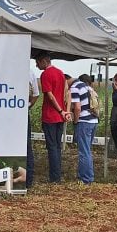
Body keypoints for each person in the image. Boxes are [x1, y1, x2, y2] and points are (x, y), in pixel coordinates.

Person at [34, 53, 71, 183]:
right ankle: (57, 175)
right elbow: (67, 92)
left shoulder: (45, 75)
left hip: (50, 116)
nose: (36, 65)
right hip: (60, 117)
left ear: (44, 61)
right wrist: (65, 111)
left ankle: (54, 177)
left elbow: (50, 96)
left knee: (52, 147)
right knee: (57, 146)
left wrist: (60, 111)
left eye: (37, 62)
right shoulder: (60, 73)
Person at [67, 74, 99, 184]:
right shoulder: (88, 87)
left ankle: (86, 179)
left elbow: (77, 107)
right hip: (93, 121)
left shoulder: (75, 87)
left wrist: (75, 121)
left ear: (66, 80)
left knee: (84, 152)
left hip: (84, 122)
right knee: (87, 150)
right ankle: (83, 176)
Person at [25, 69, 40, 189]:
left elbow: (36, 94)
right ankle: (27, 180)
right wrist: (27, 106)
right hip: (22, 111)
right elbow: (36, 94)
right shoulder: (30, 73)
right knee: (27, 145)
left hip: (7, 111)